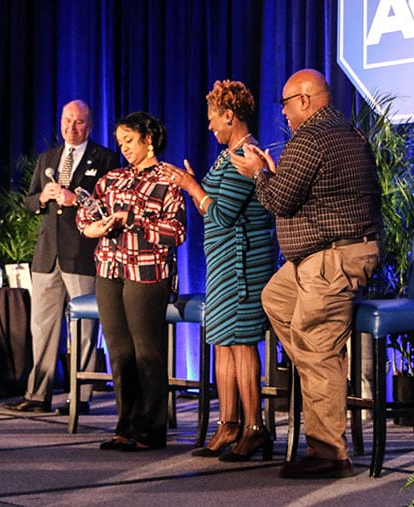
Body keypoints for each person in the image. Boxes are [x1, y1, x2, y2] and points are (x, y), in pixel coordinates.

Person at [231, 69, 382, 479]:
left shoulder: (312, 137)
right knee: (276, 299)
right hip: (323, 255)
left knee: (317, 349)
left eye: (285, 103)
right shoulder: (345, 131)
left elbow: (278, 200)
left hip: (332, 257)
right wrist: (274, 172)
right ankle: (320, 372)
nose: (282, 113)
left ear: (304, 99)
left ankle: (330, 452)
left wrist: (258, 173)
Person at [163, 80, 276, 462]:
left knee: (242, 342)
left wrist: (193, 186)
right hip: (223, 261)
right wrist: (195, 189)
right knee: (223, 340)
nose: (209, 127)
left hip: (244, 261)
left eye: (214, 119)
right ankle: (228, 424)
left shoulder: (247, 154)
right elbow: (210, 209)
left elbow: (223, 214)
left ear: (230, 116)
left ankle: (254, 427)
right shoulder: (225, 155)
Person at [76, 111, 186, 451]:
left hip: (147, 272)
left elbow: (176, 232)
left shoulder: (169, 179)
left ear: (148, 139)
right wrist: (93, 226)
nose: (123, 148)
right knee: (120, 353)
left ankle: (150, 430)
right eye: (120, 142)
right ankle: (125, 425)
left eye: (129, 140)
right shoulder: (113, 179)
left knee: (146, 353)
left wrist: (134, 220)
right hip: (109, 269)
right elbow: (86, 215)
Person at [4, 100, 119, 415]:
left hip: (81, 254)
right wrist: (42, 197)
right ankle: (37, 394)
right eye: (67, 120)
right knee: (41, 327)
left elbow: (110, 206)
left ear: (90, 126)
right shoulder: (48, 158)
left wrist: (77, 200)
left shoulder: (105, 159)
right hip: (46, 256)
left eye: (79, 122)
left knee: (83, 329)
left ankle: (79, 397)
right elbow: (29, 201)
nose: (72, 127)